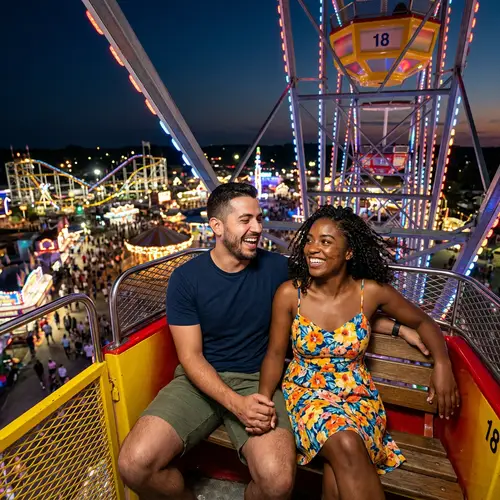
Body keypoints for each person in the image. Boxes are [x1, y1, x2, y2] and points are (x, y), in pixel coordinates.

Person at [117, 184, 424, 500]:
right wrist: (237, 405)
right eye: (245, 220)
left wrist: (396, 327)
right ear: (217, 227)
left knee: (277, 483)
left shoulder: (279, 269)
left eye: (259, 219)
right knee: (133, 465)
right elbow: (192, 357)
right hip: (199, 383)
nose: (257, 228)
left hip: (257, 384)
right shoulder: (186, 279)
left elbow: (334, 304)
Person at [259, 205, 460, 500]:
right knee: (347, 444)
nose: (312, 248)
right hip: (306, 395)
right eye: (310, 239)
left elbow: (422, 321)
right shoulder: (291, 293)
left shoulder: (371, 293)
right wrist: (263, 404)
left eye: (326, 242)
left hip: (359, 398)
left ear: (349, 253)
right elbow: (275, 355)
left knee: (339, 469)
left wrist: (442, 364)